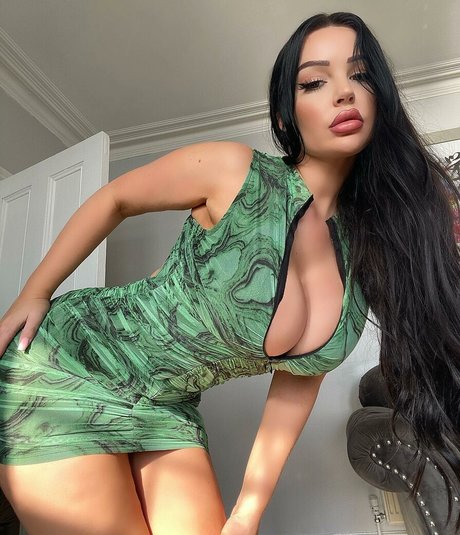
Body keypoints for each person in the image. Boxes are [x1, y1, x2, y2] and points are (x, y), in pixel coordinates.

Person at [0, 10, 459, 535]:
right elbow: (117, 198)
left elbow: (297, 385)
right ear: (285, 117)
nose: (344, 92)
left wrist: (247, 512)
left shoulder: (366, 258)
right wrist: (36, 292)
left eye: (360, 75)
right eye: (314, 82)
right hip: (74, 362)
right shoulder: (235, 172)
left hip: (170, 406)